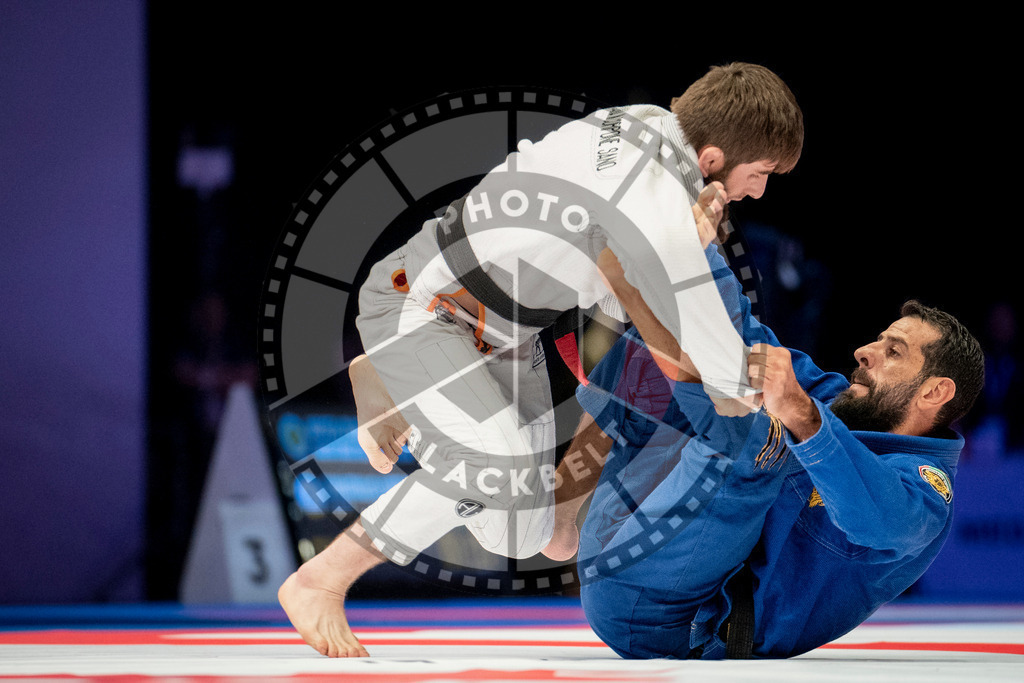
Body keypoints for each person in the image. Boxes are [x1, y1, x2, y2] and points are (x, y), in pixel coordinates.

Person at [278, 62, 804, 658]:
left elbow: (608, 282)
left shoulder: (644, 127)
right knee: (493, 464)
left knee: (526, 530)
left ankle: (397, 385)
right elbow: (714, 359)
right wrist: (747, 388)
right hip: (420, 303)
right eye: (761, 174)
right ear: (711, 157)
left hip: (506, 336)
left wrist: (684, 249)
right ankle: (321, 578)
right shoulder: (654, 196)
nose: (759, 191)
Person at [542, 247, 985, 659]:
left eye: (893, 352)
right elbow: (737, 329)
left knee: (757, 437)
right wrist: (694, 245)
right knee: (678, 348)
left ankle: (630, 294)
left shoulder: (926, 491)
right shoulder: (834, 401)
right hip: (618, 543)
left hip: (675, 621)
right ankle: (559, 518)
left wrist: (801, 415)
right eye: (878, 341)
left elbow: (876, 521)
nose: (864, 352)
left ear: (935, 392)